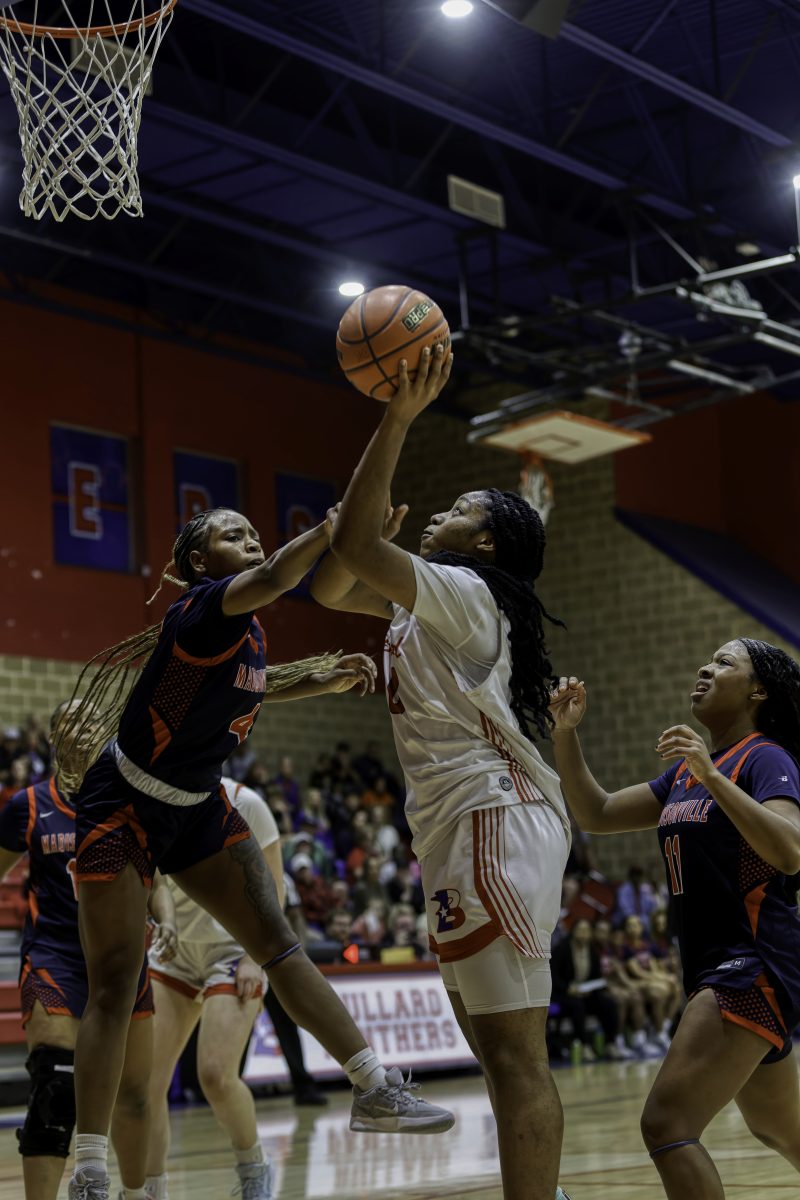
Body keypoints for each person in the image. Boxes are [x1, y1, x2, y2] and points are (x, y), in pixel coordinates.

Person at [58, 507, 454, 1200]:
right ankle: (90, 1167)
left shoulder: (245, 630)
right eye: (230, 534)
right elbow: (274, 575)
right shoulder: (202, 607)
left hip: (195, 804)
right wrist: (334, 532)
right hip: (123, 803)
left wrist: (320, 681)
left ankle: (374, 1086)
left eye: (252, 532)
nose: (250, 539)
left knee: (278, 941)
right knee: (116, 982)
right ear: (199, 562)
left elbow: (251, 686)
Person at [312, 343, 573, 1200]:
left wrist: (396, 418)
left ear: (485, 541)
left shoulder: (468, 593)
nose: (440, 513)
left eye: (460, 509)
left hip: (489, 818)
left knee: (513, 1056)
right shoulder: (431, 598)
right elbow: (332, 585)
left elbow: (353, 544)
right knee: (498, 1051)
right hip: (459, 826)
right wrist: (361, 540)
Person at [549, 638, 800, 1198]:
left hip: (750, 965)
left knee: (667, 1125)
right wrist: (565, 734)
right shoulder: (688, 774)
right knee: (780, 1130)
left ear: (758, 691)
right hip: (713, 966)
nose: (705, 668)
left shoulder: (765, 758)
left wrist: (712, 776)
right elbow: (596, 812)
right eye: (707, 661)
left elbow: (790, 850)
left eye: (725, 663)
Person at [0, 701, 176, 1200]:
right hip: (55, 957)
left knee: (135, 1096)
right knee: (56, 1085)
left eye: (93, 721)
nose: (83, 729)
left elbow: (157, 880)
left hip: (121, 959)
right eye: (71, 723)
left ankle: (134, 1194)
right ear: (54, 737)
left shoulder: (129, 800)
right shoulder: (29, 805)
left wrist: (168, 918)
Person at [145, 777, 281, 1200]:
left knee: (216, 1076)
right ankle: (152, 1190)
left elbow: (273, 888)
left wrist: (255, 956)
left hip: (232, 948)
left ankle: (254, 1168)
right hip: (176, 949)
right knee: (146, 1083)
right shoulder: (153, 798)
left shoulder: (247, 803)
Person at [550, 918, 632, 1062]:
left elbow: (597, 976)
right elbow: (554, 977)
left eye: (587, 930)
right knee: (577, 1006)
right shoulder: (562, 949)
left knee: (609, 1004)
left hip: (585, 992)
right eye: (580, 930)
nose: (584, 933)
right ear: (573, 931)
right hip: (564, 994)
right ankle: (584, 1045)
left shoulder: (592, 951)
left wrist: (592, 987)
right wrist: (569, 989)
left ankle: (610, 1043)